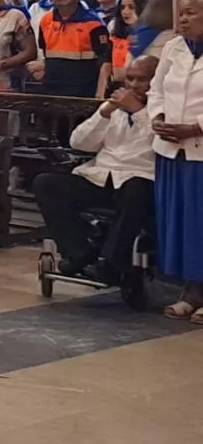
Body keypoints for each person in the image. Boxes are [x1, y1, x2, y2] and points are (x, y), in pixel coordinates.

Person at [35, 55, 159, 284]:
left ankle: (111, 264)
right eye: (130, 79)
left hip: (140, 177)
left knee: (135, 188)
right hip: (102, 176)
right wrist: (103, 114)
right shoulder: (114, 109)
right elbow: (79, 142)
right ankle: (80, 253)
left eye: (142, 80)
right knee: (46, 183)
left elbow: (160, 142)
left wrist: (139, 111)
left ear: (157, 80)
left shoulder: (162, 111)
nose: (133, 85)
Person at [151, 0, 203, 321]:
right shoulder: (173, 47)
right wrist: (157, 117)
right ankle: (191, 290)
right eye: (181, 13)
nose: (182, 19)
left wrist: (196, 127)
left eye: (191, 13)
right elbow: (156, 89)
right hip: (171, 149)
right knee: (181, 223)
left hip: (200, 148)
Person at [30, 0, 112, 98]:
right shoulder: (46, 20)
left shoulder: (93, 23)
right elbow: (46, 53)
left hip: (82, 93)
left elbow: (105, 63)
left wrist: (100, 94)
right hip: (51, 90)